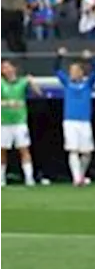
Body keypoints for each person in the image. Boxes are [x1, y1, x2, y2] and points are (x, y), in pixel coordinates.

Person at [55, 48, 95, 186]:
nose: (73, 73)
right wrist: (59, 56)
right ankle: (76, 178)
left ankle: (81, 175)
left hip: (84, 121)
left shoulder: (87, 84)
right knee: (73, 149)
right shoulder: (67, 83)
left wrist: (90, 58)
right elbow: (56, 69)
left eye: (76, 70)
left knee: (87, 152)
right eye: (71, 71)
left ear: (82, 72)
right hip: (70, 121)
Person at [0, 59, 42, 187]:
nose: (5, 70)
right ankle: (1, 179)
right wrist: (7, 103)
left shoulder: (22, 82)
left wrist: (32, 82)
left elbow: (39, 93)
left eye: (7, 67)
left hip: (19, 122)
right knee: (2, 151)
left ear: (14, 68)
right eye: (3, 68)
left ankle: (29, 178)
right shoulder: (1, 83)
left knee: (24, 149)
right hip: (4, 122)